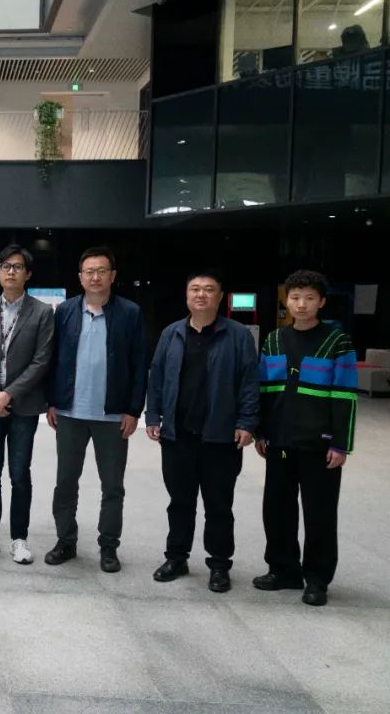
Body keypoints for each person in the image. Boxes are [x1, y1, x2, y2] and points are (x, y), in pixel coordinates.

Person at [145, 269, 259, 593]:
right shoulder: (171, 333)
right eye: (195, 289)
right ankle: (176, 558)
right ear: (186, 296)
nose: (201, 295)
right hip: (177, 436)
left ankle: (219, 565)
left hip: (220, 438)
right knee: (179, 502)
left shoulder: (238, 336)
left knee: (219, 506)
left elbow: (249, 382)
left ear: (220, 297)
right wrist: (153, 415)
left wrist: (247, 422)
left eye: (209, 289)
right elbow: (157, 377)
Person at [253, 270, 358, 606]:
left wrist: (340, 443)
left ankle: (317, 579)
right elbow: (264, 391)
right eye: (296, 297)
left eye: (310, 298)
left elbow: (345, 396)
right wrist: (260, 431)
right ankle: (283, 570)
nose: (302, 304)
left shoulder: (337, 342)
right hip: (280, 443)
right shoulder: (273, 340)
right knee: (277, 510)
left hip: (319, 445)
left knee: (320, 515)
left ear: (321, 302)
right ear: (287, 301)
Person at [44, 246, 147, 573]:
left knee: (112, 486)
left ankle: (109, 546)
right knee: (65, 482)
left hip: (112, 416)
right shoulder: (65, 312)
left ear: (112, 276)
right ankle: (66, 541)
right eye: (89, 271)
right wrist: (52, 401)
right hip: (70, 413)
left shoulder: (130, 313)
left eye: (102, 271)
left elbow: (139, 363)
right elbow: (53, 359)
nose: (95, 277)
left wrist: (134, 410)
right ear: (80, 277)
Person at [0, 244, 54, 564]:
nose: (11, 271)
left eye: (17, 267)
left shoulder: (42, 312)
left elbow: (42, 360)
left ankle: (19, 538)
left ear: (27, 274)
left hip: (24, 406)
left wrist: (9, 394)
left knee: (19, 473)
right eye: (5, 266)